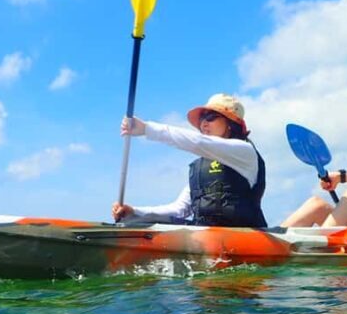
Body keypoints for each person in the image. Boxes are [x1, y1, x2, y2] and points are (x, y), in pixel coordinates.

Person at [112, 93, 267, 227]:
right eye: (202, 119)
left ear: (231, 124)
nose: (203, 123)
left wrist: (146, 129)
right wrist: (134, 211)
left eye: (211, 117)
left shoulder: (245, 152)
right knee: (133, 221)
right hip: (206, 235)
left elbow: (199, 143)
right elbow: (180, 209)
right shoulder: (201, 166)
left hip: (244, 234)